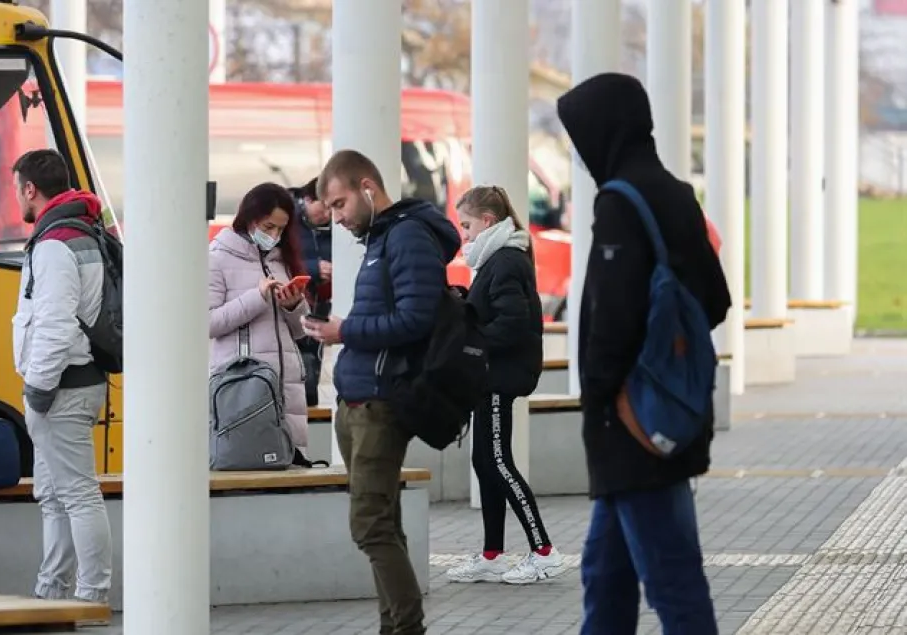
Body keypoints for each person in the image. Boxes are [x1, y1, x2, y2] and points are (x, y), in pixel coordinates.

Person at [557, 73, 730, 634]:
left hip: (629, 425)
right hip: (668, 409)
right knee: (604, 575)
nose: (580, 152)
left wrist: (603, 395)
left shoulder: (620, 203)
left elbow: (611, 322)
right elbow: (717, 300)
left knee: (673, 581)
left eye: (579, 136)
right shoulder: (677, 194)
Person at [302, 149, 461, 635]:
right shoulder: (380, 236)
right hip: (358, 399)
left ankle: (406, 627)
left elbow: (417, 317)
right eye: (329, 209)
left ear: (367, 187)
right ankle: (393, 626)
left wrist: (343, 331)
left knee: (370, 525)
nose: (336, 217)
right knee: (383, 523)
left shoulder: (408, 235)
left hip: (380, 400)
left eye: (339, 203)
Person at [442, 185, 566, 586]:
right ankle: (492, 554)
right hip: (491, 377)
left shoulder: (506, 260)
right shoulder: (498, 259)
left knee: (497, 462)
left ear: (488, 222)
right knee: (485, 462)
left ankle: (544, 552)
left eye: (467, 225)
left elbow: (511, 325)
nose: (464, 234)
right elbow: (496, 311)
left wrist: (469, 340)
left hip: (500, 377)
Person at [11, 149, 113, 604]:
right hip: (79, 379)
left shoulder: (54, 243)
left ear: (30, 189)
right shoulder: (84, 231)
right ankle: (51, 591)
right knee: (54, 496)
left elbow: (54, 322)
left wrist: (37, 388)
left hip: (62, 387)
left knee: (77, 495)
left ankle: (91, 595)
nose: (17, 198)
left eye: (18, 189)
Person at [208, 182, 313, 460]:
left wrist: (294, 306)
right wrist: (257, 297)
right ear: (249, 219)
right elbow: (208, 323)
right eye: (268, 227)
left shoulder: (281, 260)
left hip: (286, 385)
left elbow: (299, 332)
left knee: (289, 466)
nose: (274, 235)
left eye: (281, 229)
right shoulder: (217, 259)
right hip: (244, 386)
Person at [291, 177, 332, 406]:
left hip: (320, 303)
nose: (327, 213)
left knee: (312, 365)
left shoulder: (336, 226)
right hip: (293, 303)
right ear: (307, 199)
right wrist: (314, 269)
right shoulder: (288, 221)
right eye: (323, 206)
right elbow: (280, 262)